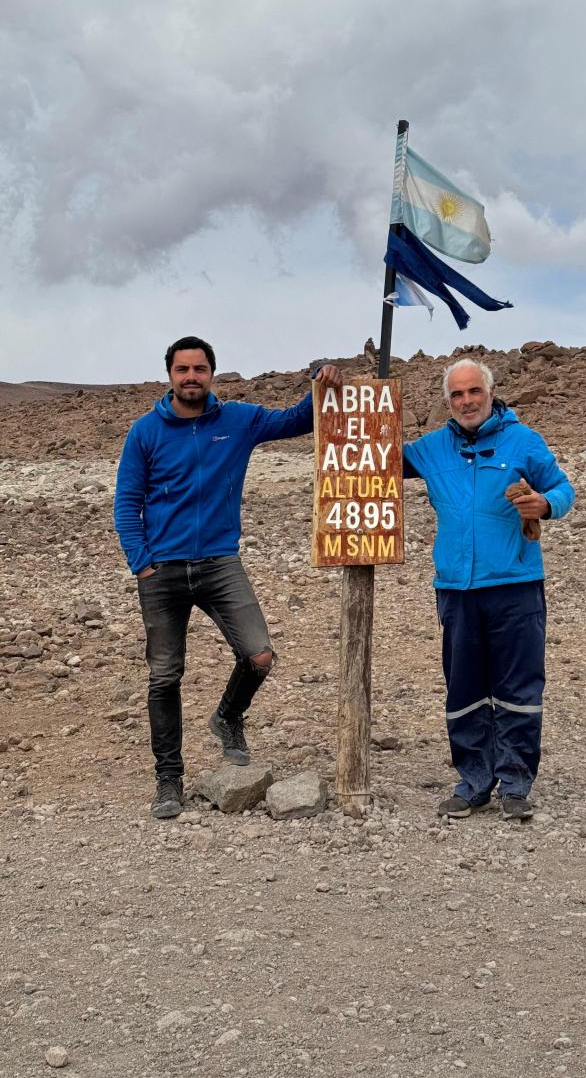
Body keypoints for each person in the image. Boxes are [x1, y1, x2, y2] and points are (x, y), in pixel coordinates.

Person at [114, 335, 341, 820]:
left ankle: (228, 717)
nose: (191, 377)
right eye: (182, 370)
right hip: (163, 571)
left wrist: (320, 378)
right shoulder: (145, 432)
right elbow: (126, 503)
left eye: (199, 369)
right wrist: (143, 562)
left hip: (219, 562)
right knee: (164, 676)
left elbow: (298, 420)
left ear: (211, 373)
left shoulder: (238, 420)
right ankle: (168, 780)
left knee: (259, 654)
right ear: (170, 375)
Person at [404, 359, 574, 821]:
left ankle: (516, 783)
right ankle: (474, 781)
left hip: (515, 586)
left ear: (490, 392)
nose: (466, 401)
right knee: (465, 687)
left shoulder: (523, 441)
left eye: (473, 391)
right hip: (456, 589)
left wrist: (546, 504)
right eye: (457, 395)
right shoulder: (432, 448)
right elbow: (373, 457)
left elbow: (562, 487)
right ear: (447, 401)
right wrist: (336, 397)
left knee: (517, 686)